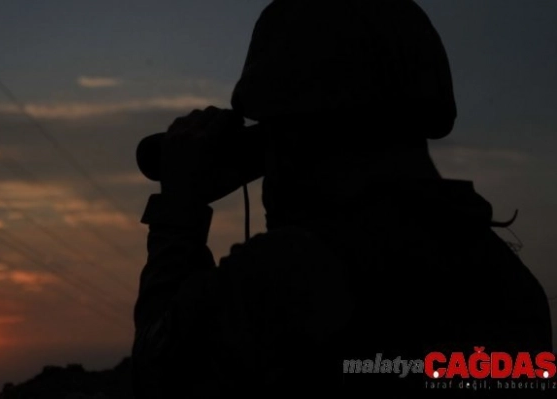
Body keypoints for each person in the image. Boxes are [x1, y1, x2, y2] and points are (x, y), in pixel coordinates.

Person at [131, 0, 553, 397]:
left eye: (275, 130)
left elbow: (160, 373)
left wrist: (180, 211)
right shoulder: (511, 285)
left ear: (300, 129)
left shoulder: (294, 272)